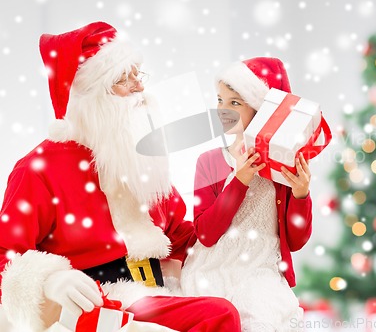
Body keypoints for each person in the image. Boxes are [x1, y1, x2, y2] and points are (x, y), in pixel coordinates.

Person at [0, 22, 241, 332]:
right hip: (99, 303)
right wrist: (51, 279)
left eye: (137, 75)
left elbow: (179, 233)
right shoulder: (38, 170)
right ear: (89, 96)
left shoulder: (140, 155)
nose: (139, 87)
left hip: (158, 290)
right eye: (122, 80)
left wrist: (237, 203)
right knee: (217, 315)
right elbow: (5, 257)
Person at [181, 57, 313, 332]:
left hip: (263, 270)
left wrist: (301, 195)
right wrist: (239, 180)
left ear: (262, 112)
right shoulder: (210, 162)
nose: (222, 110)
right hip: (212, 268)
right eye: (219, 100)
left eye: (235, 103)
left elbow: (296, 240)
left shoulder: (284, 168)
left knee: (259, 317)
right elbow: (206, 233)